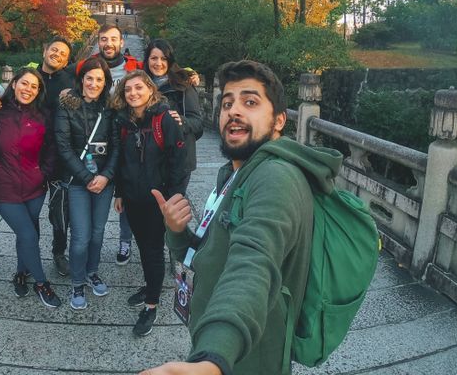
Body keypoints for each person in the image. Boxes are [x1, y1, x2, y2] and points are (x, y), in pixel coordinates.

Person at [144, 60, 342, 375]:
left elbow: (254, 263)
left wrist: (212, 359)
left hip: (246, 355)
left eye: (250, 102)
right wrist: (177, 232)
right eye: (227, 103)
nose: (233, 111)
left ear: (279, 121)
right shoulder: (235, 173)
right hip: (220, 341)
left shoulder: (275, 177)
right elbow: (208, 256)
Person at [111, 70, 188, 337]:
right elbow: (120, 161)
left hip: (159, 199)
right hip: (133, 197)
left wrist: (174, 199)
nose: (133, 93)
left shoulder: (164, 118)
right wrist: (119, 192)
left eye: (138, 88)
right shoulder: (124, 122)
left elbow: (179, 161)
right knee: (144, 246)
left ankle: (151, 304)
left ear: (150, 89)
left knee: (153, 249)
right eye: (128, 89)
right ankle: (150, 284)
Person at [0, 67, 62, 308]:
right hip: (4, 188)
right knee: (29, 234)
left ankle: (21, 272)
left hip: (34, 186)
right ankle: (41, 283)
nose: (28, 89)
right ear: (13, 84)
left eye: (34, 86)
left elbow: (52, 148)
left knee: (30, 233)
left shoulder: (43, 115)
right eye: (24, 84)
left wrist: (43, 173)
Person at [54, 56, 118, 310]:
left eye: (99, 79)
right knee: (80, 236)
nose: (93, 83)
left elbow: (117, 146)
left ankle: (92, 272)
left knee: (98, 232)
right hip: (78, 180)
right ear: (81, 80)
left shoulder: (111, 108)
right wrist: (88, 177)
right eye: (89, 78)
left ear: (106, 82)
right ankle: (77, 281)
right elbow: (63, 146)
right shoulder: (66, 106)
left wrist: (106, 176)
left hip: (105, 179)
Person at [79, 24, 141, 264]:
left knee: (126, 191)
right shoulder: (89, 66)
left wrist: (187, 74)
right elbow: (70, 79)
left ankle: (125, 241)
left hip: (128, 136)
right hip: (97, 138)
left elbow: (158, 76)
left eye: (113, 39)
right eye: (104, 39)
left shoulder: (134, 68)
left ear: (121, 43)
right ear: (98, 42)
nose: (108, 43)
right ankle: (82, 244)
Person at [36, 36, 76, 277]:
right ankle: (26, 255)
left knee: (61, 210)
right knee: (27, 209)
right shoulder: (29, 78)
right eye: (54, 50)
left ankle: (58, 252)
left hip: (60, 155)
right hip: (30, 154)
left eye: (63, 53)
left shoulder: (70, 80)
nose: (58, 55)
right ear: (44, 50)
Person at [143, 39, 204, 182]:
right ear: (147, 60)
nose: (158, 63)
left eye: (164, 58)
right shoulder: (141, 85)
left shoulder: (183, 85)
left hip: (177, 160)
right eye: (154, 58)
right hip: (148, 159)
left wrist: (181, 121)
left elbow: (198, 124)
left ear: (170, 60)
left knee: (173, 203)